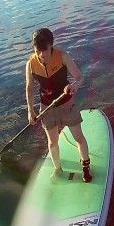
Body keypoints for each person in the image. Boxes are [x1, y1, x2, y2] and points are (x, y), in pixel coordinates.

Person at [25, 28, 92, 182]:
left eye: (45, 50)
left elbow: (80, 77)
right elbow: (29, 88)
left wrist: (74, 85)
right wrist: (31, 110)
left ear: (51, 46)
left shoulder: (63, 56)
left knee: (79, 138)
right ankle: (57, 168)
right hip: (47, 108)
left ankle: (85, 167)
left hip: (67, 104)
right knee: (52, 142)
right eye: (37, 51)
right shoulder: (30, 64)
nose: (41, 55)